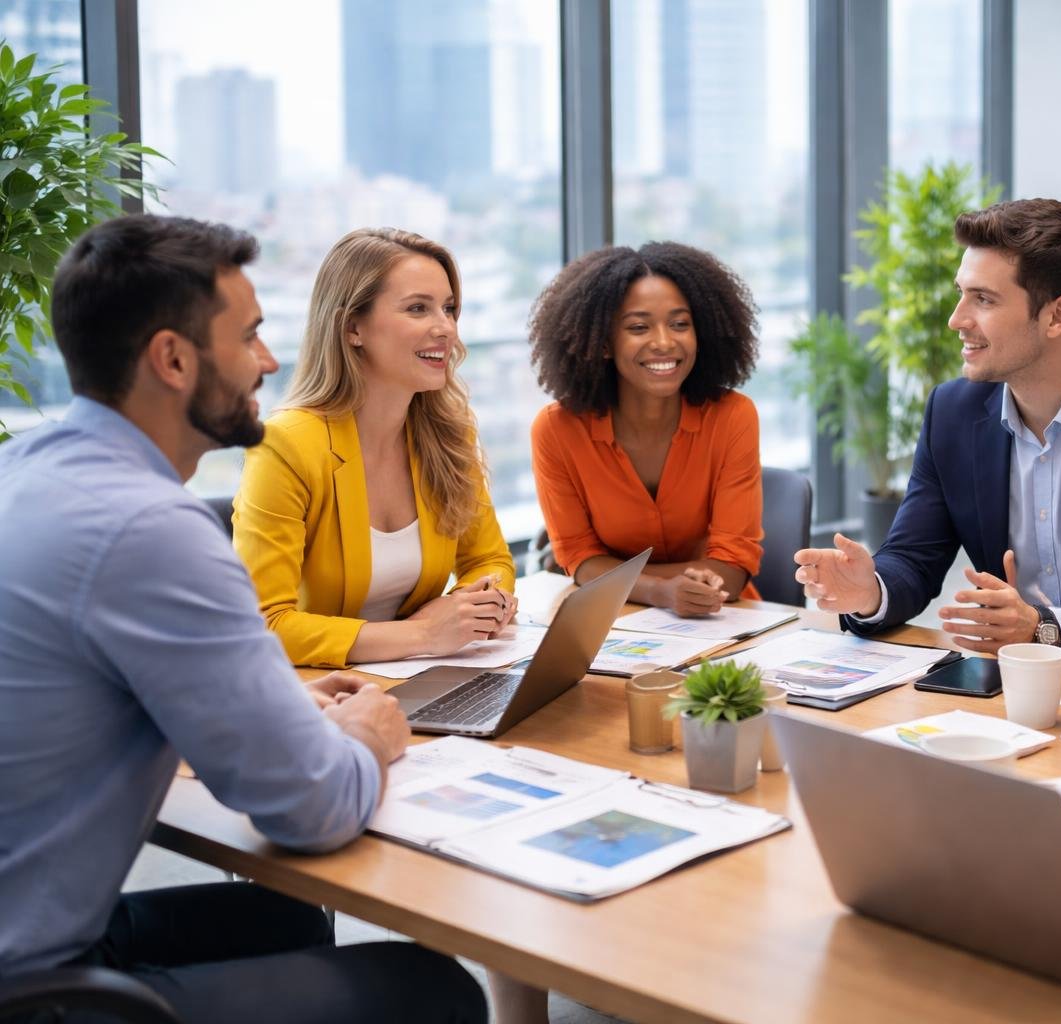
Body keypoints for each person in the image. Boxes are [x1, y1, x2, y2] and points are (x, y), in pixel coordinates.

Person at [0, 215, 486, 1022]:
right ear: (173, 358)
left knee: (282, 918)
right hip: (31, 988)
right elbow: (312, 812)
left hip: (38, 929)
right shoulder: (149, 529)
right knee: (431, 990)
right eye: (250, 336)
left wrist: (286, 704)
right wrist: (369, 732)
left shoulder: (27, 469)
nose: (267, 360)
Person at [795, 198, 1061, 668]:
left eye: (983, 299)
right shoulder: (953, 412)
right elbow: (914, 557)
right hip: (1015, 683)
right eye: (961, 293)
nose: (956, 319)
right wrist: (870, 591)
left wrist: (1041, 627)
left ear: (1057, 317)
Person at [234, 229, 516, 669]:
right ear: (352, 328)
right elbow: (263, 625)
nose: (445, 328)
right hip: (322, 696)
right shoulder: (286, 446)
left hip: (421, 677)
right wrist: (422, 633)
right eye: (418, 308)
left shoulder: (447, 437)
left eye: (449, 309)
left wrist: (474, 608)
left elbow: (489, 560)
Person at [528, 241, 764, 617]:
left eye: (680, 324)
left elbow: (732, 569)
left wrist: (614, 577)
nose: (664, 342)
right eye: (639, 327)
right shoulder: (556, 431)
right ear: (603, 343)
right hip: (613, 625)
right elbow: (578, 558)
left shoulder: (733, 417)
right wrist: (660, 591)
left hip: (723, 617)